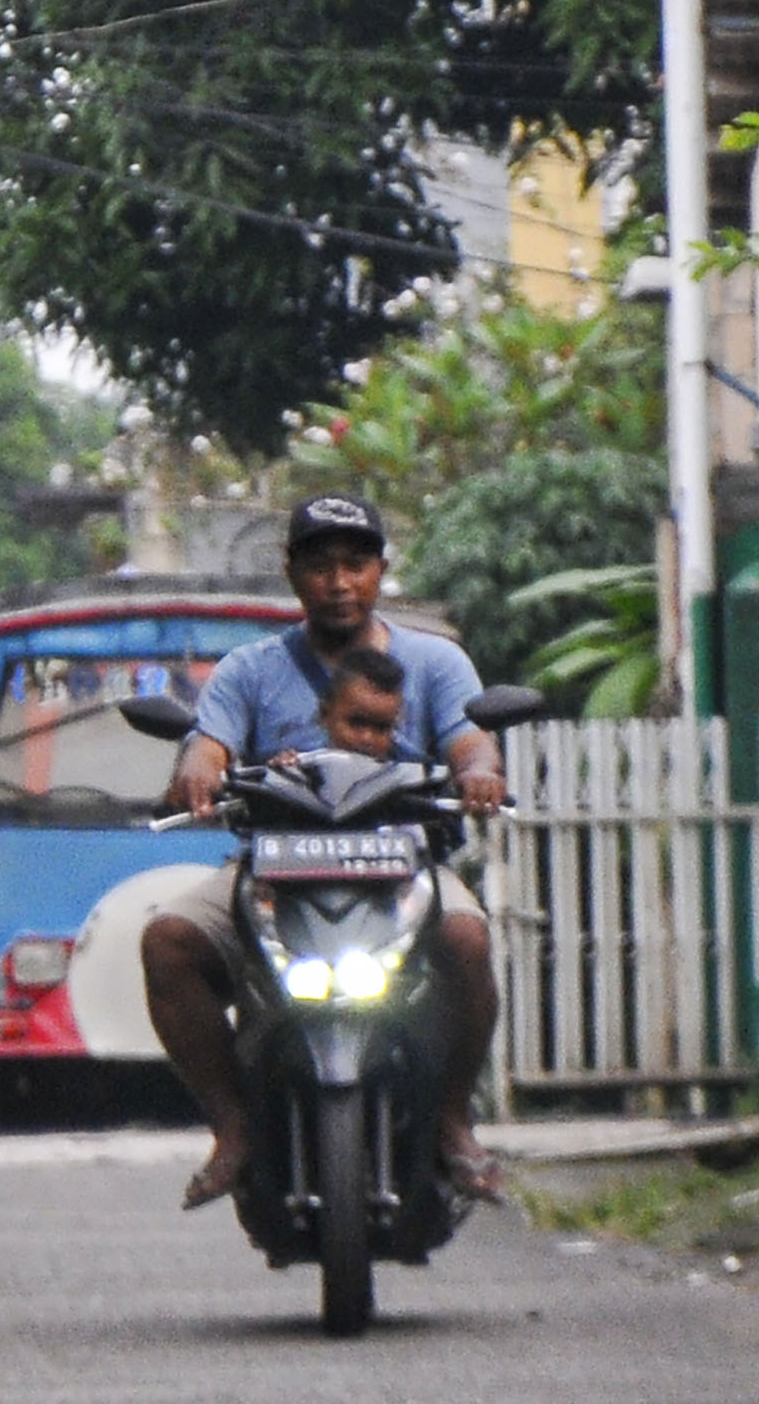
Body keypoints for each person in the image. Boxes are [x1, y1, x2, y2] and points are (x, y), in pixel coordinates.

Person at [138, 493, 506, 1214]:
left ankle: (453, 1120)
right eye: (320, 566)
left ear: (380, 570)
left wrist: (480, 773)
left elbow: (472, 740)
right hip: (272, 874)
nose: (339, 582)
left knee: (468, 938)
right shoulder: (249, 670)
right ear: (290, 572)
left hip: (404, 869)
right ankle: (234, 1128)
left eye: (355, 564)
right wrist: (198, 772)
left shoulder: (435, 661)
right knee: (168, 940)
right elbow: (208, 742)